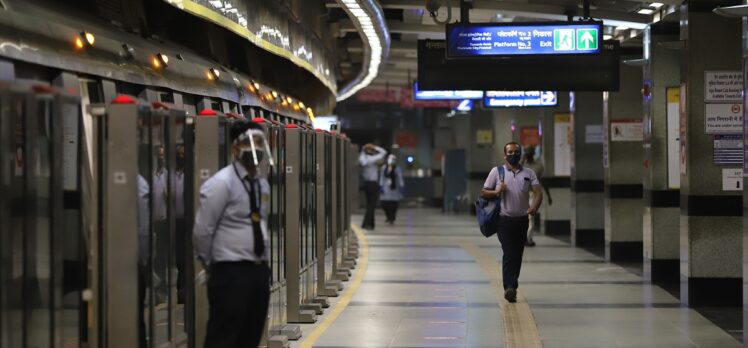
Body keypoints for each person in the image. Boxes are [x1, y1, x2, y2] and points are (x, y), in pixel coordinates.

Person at [193, 120, 272, 348]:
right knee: (224, 336)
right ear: (235, 149)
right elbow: (202, 231)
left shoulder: (261, 184)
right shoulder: (221, 184)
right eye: (249, 142)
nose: (255, 148)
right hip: (230, 271)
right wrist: (213, 265)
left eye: (259, 142)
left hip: (258, 271)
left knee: (251, 335)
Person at [480, 142, 542, 303]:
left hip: (522, 221)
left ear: (520, 154)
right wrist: (496, 191)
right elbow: (484, 192)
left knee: (518, 254)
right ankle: (509, 287)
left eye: (516, 152)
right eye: (510, 152)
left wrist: (534, 207)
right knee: (509, 253)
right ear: (504, 155)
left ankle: (512, 285)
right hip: (504, 221)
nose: (513, 154)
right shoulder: (497, 172)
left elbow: (537, 193)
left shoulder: (529, 173)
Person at [521, 147, 552, 247]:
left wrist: (548, 195)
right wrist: (521, 160)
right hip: (521, 194)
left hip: (533, 194)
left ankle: (528, 238)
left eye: (530, 153)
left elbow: (543, 180)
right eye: (526, 153)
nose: (528, 155)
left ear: (533, 154)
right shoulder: (521, 164)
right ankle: (523, 237)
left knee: (531, 217)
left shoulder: (538, 165)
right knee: (521, 216)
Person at [358, 143, 387, 230]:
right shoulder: (372, 159)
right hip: (373, 184)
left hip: (366, 184)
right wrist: (375, 147)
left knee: (369, 204)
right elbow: (383, 152)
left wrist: (363, 149)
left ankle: (370, 224)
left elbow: (362, 161)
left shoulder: (363, 158)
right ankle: (367, 223)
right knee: (372, 205)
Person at [379, 154, 405, 225]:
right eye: (390, 159)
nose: (391, 160)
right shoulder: (384, 168)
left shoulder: (397, 168)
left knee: (393, 205)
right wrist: (380, 186)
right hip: (385, 188)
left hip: (394, 189)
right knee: (384, 204)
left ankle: (392, 218)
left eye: (393, 159)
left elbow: (400, 178)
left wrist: (401, 187)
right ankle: (388, 216)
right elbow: (382, 177)